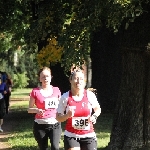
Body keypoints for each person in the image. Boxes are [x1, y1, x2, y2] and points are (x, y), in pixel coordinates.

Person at [56, 70, 101, 150]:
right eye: (76, 78)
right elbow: (58, 118)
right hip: (71, 136)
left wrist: (94, 116)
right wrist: (67, 115)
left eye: (81, 79)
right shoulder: (65, 97)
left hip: (89, 135)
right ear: (70, 80)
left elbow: (98, 109)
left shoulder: (90, 95)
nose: (78, 81)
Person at [28, 67, 62, 150]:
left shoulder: (56, 90)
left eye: (47, 76)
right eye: (43, 76)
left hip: (55, 124)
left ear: (51, 77)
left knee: (55, 147)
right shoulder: (35, 91)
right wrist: (36, 110)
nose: (45, 78)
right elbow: (29, 109)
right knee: (43, 148)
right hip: (40, 125)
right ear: (39, 79)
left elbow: (61, 106)